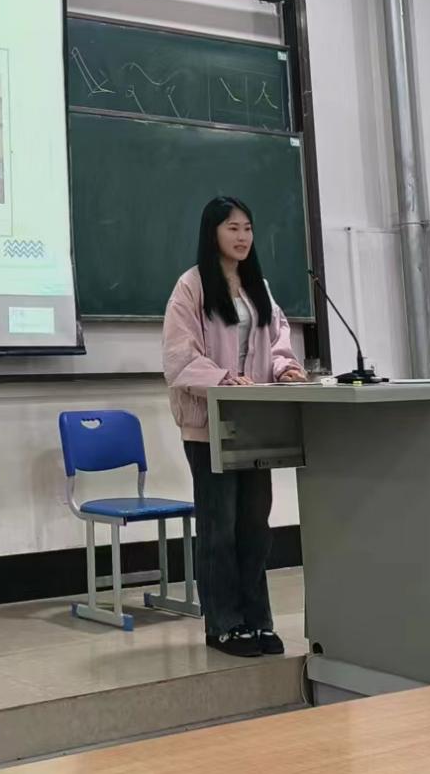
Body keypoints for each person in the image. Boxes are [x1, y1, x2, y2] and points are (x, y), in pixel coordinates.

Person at [163, 195, 307, 660]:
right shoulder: (191, 287)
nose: (243, 236)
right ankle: (224, 625)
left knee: (254, 527)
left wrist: (286, 369)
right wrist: (223, 378)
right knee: (219, 527)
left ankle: (258, 621)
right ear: (213, 233)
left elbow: (277, 340)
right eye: (232, 228)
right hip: (209, 425)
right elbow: (179, 356)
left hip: (254, 421)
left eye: (247, 227)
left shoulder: (257, 286)